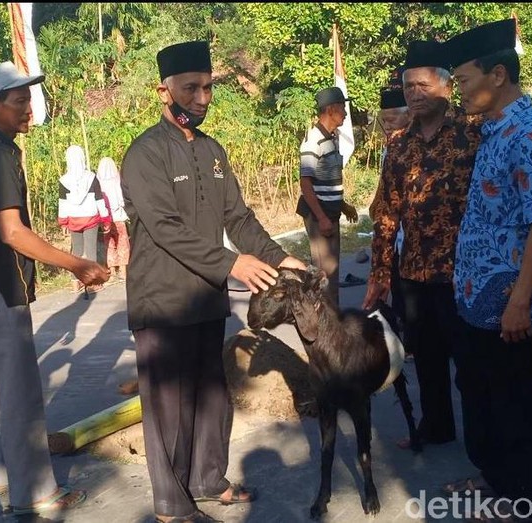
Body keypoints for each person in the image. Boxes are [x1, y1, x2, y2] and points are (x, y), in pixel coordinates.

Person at [120, 40, 306, 523]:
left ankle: (206, 478)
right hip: (161, 300)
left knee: (210, 394)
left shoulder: (212, 151)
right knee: (169, 408)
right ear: (164, 91)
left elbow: (239, 218)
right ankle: (171, 505)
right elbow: (164, 227)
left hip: (205, 296)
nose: (202, 98)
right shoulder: (145, 154)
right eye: (190, 88)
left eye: (207, 88)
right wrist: (233, 265)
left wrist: (279, 257)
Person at [0, 61, 109, 516]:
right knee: (18, 397)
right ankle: (35, 494)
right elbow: (13, 233)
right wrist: (79, 263)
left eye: (28, 99)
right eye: (20, 101)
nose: (28, 110)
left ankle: (1, 475)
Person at [444, 19, 532, 521]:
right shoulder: (494, 131)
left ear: (498, 75)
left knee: (516, 399)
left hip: (509, 303)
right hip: (477, 298)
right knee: (480, 392)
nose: (459, 92)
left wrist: (520, 301)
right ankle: (493, 476)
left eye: (464, 81)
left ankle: (525, 495)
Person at [362, 40, 482, 450]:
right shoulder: (398, 145)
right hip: (413, 272)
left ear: (447, 88)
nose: (414, 93)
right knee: (427, 359)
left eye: (423, 85)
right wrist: (379, 274)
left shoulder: (472, 133)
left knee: (471, 363)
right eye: (409, 86)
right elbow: (386, 215)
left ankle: (485, 444)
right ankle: (436, 427)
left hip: (462, 272)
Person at [296, 86, 359, 306]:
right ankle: (325, 324)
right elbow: (306, 184)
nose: (345, 112)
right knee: (325, 273)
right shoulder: (313, 141)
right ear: (330, 110)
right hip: (318, 214)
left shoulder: (332, 138)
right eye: (342, 107)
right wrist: (321, 217)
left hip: (330, 211)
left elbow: (328, 182)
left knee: (333, 271)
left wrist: (343, 205)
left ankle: (334, 321)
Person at [368, 69, 411, 341]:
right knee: (397, 288)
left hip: (415, 237)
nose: (388, 125)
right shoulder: (390, 146)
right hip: (393, 236)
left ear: (409, 115)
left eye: (393, 118)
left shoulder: (415, 144)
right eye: (384, 121)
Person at [58, 144, 110, 293]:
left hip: (74, 218)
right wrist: (105, 218)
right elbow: (99, 199)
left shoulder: (63, 181)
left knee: (77, 250)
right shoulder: (91, 178)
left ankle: (75, 282)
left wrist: (63, 222)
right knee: (90, 250)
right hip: (91, 217)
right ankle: (93, 283)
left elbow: (63, 204)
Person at [97, 156, 130, 281]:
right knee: (122, 242)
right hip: (119, 217)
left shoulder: (98, 183)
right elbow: (122, 200)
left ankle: (111, 271)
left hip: (105, 220)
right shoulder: (118, 181)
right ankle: (123, 271)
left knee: (109, 244)